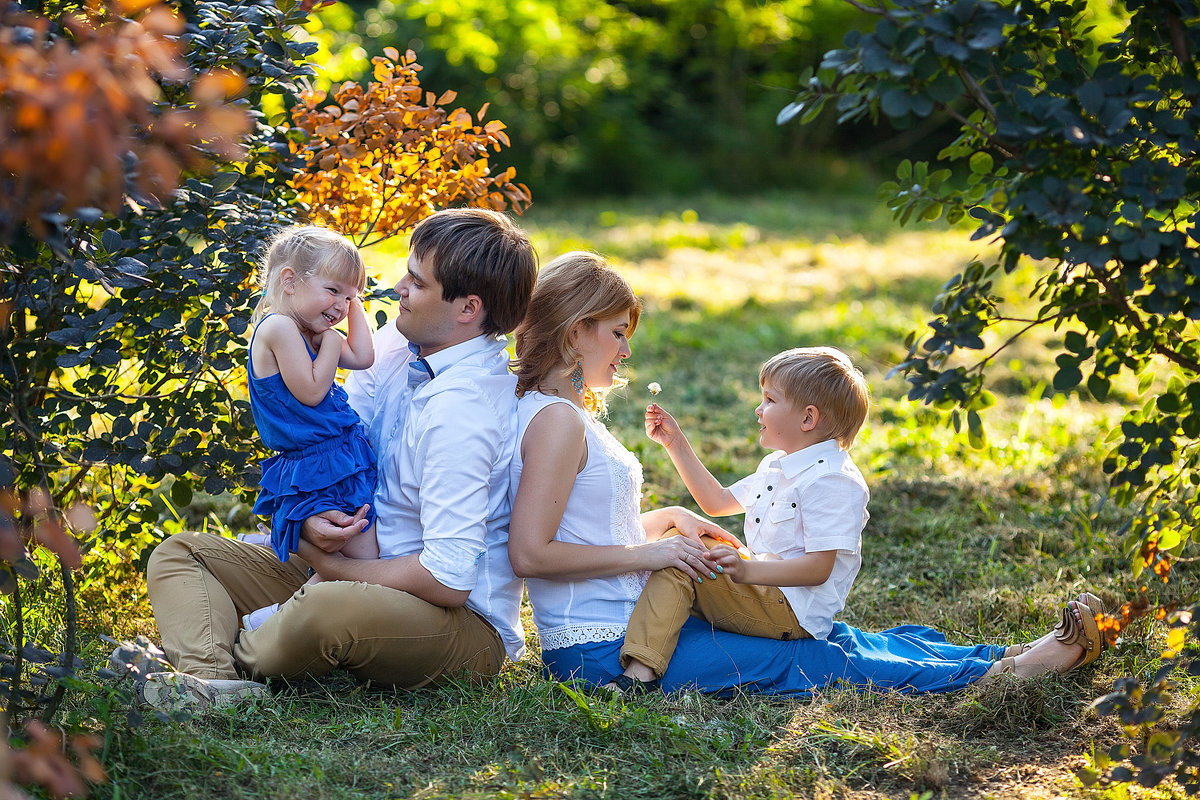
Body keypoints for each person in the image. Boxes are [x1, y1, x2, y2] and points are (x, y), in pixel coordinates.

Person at [507, 252, 1107, 696]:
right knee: (810, 663)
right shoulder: (559, 421)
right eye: (618, 333)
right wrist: (655, 556)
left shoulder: (569, 413)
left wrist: (664, 521)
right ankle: (1015, 671)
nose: (626, 351)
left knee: (833, 639)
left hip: (633, 620)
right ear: (576, 328)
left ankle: (1000, 653)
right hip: (602, 649)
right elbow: (533, 554)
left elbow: (585, 525)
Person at [132, 208, 538, 712]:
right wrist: (311, 524)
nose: (397, 287)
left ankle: (231, 644)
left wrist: (328, 565)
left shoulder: (467, 409)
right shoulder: (395, 347)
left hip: (457, 624)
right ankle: (212, 685)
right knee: (181, 553)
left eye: (415, 280)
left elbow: (447, 580)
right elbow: (332, 454)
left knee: (327, 605)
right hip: (358, 561)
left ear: (467, 308)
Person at [607, 347, 870, 692]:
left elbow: (817, 569)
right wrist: (675, 443)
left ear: (807, 419)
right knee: (683, 541)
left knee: (680, 560)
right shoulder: (779, 464)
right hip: (764, 587)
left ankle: (638, 676)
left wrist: (746, 571)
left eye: (770, 400)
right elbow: (716, 502)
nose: (758, 409)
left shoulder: (832, 481)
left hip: (789, 611)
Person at [240, 226, 379, 632]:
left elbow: (364, 357)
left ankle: (280, 589)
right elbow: (313, 392)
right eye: (333, 290)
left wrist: (352, 306)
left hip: (336, 459)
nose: (340, 306)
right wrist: (332, 341)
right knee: (362, 561)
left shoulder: (308, 330)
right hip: (315, 468)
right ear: (290, 280)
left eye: (350, 297)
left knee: (361, 555)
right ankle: (274, 621)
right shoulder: (279, 328)